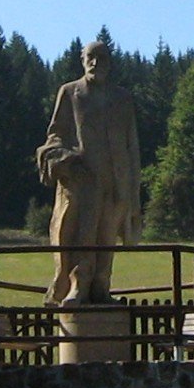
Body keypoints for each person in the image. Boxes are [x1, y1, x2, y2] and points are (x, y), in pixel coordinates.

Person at [36, 39, 142, 306]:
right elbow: (55, 134)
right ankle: (77, 284)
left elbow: (132, 146)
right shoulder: (71, 92)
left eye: (102, 58)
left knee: (106, 239)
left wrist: (132, 190)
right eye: (90, 58)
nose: (96, 63)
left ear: (110, 62)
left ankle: (101, 287)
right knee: (81, 235)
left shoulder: (123, 98)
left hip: (116, 182)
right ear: (82, 61)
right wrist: (64, 158)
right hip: (83, 183)